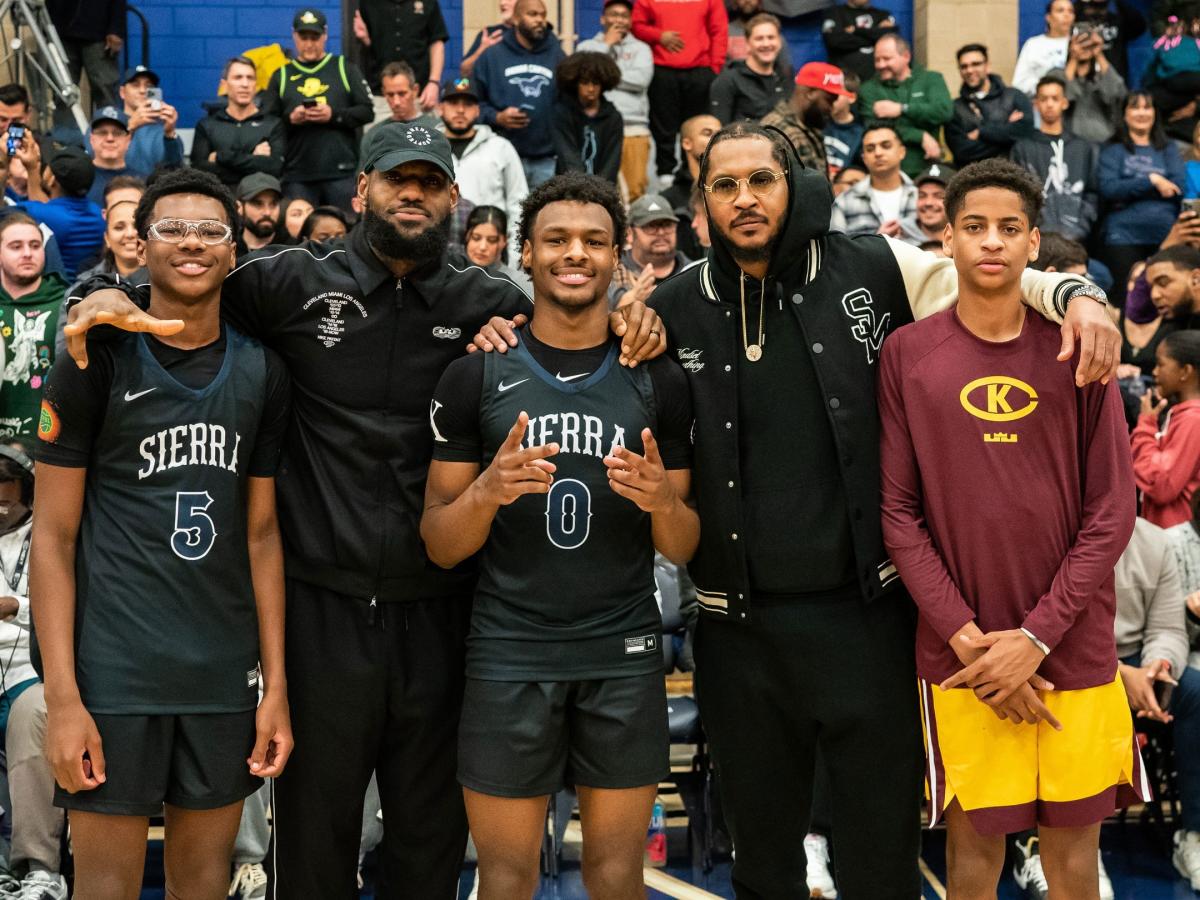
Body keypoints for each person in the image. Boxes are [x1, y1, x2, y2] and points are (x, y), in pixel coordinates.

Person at [470, 120, 1119, 899]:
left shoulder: (880, 267)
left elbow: (987, 272)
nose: (745, 199)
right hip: (739, 634)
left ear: (793, 187)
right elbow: (566, 333)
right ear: (701, 203)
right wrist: (495, 324)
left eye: (762, 181)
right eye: (724, 185)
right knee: (767, 868)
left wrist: (1078, 293)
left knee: (880, 863)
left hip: (868, 622)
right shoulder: (669, 308)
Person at [61, 122, 664, 898]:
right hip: (323, 612)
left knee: (429, 839)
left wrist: (631, 314)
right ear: (361, 191)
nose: (410, 194)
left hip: (446, 612)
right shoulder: (290, 282)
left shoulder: (493, 303)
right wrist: (99, 290)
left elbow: (577, 329)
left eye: (427, 181)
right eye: (393, 179)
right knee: (315, 839)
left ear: (454, 196)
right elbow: (185, 284)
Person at [421, 171, 698, 900]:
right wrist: (486, 492)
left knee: (615, 875)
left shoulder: (657, 378)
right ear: (528, 254)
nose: (575, 253)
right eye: (557, 240)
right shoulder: (473, 375)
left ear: (619, 256)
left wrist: (660, 499)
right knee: (505, 876)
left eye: (594, 241)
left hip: (623, 647)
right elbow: (440, 542)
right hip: (510, 649)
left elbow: (685, 544)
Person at [879, 158, 1139, 900]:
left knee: (1072, 867)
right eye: (974, 227)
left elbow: (1112, 512)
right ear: (947, 242)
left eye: (1009, 228)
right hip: (965, 659)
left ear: (1033, 246)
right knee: (972, 863)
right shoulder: (907, 354)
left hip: (1073, 650)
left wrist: (1034, 641)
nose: (991, 242)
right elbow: (899, 514)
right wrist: (973, 640)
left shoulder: (1079, 347)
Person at [31, 168, 293, 900]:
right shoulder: (94, 355)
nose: (191, 243)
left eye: (211, 230)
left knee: (203, 886)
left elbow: (262, 535)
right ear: (138, 246)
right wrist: (64, 699)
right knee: (106, 889)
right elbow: (52, 538)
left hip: (220, 673)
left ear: (234, 251)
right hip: (115, 675)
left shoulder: (262, 370)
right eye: (170, 228)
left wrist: (275, 688)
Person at [260, 8, 374, 214]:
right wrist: (291, 118)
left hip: (341, 172)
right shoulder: (281, 75)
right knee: (300, 240)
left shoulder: (343, 67)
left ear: (325, 35)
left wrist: (334, 115)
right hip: (297, 175)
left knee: (345, 233)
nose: (309, 43)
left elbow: (367, 111)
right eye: (304, 37)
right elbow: (266, 123)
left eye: (315, 37)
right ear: (294, 36)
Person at [1098, 90, 1185, 305]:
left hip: (1165, 236)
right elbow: (1109, 189)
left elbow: (1178, 187)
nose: (1141, 113)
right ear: (1125, 114)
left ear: (1155, 113)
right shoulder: (1112, 149)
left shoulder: (1168, 148)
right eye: (1135, 107)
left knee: (1164, 300)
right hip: (1123, 237)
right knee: (1127, 301)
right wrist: (1153, 180)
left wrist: (1129, 187)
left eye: (1147, 107)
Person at [473, 0, 566, 189]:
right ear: (515, 18)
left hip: (546, 159)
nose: (540, 20)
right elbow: (474, 104)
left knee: (541, 216)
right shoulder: (492, 57)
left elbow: (568, 103)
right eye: (532, 14)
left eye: (543, 15)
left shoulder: (557, 55)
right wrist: (497, 117)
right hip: (502, 156)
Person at [632, 0, 728, 182]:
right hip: (662, 71)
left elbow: (719, 30)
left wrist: (714, 67)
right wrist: (659, 36)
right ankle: (665, 176)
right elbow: (636, 25)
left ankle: (694, 176)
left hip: (700, 70)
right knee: (663, 128)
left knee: (697, 127)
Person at [438, 75, 528, 260]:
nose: (461, 110)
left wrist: (514, 255)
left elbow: (518, 203)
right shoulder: (429, 149)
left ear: (478, 110)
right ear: (441, 108)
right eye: (453, 103)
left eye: (468, 104)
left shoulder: (501, 147)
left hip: (491, 252)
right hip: (441, 255)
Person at [577, 0, 655, 200]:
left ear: (630, 21)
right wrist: (606, 46)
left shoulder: (641, 48)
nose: (619, 19)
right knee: (595, 190)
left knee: (635, 192)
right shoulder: (586, 46)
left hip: (633, 128)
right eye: (614, 14)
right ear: (603, 18)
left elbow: (641, 80)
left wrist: (603, 75)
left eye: (624, 15)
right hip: (594, 127)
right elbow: (583, 77)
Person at [1010, 74, 1100, 244]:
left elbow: (1092, 192)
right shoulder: (1023, 148)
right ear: (1036, 104)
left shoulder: (1083, 147)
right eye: (1044, 99)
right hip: (1037, 238)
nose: (1049, 104)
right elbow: (1018, 195)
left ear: (1065, 103)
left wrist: (1082, 225)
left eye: (1055, 98)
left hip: (1077, 236)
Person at [0, 215, 65, 442]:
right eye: (15, 246)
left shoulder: (66, 303)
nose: (27, 253)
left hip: (47, 445)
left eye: (35, 245)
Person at [857, 34, 954, 177]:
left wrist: (902, 109)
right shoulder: (868, 89)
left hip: (929, 169)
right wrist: (920, 136)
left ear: (906, 56)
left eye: (887, 58)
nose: (881, 65)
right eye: (877, 60)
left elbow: (944, 111)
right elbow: (875, 126)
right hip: (889, 173)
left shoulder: (931, 79)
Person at [1132, 331, 1200, 529]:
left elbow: (1161, 484)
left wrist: (1145, 425)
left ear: (1185, 371)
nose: (1154, 372)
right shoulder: (1183, 415)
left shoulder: (1193, 419)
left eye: (1161, 364)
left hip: (1177, 542)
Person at [1168, 497, 1200, 892]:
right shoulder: (1172, 543)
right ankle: (1193, 834)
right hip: (1189, 656)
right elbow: (1169, 630)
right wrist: (1192, 617)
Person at [13, 143, 104, 281]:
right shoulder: (98, 214)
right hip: (88, 288)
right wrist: (32, 170)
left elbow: (5, 210)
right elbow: (47, 207)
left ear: (52, 179)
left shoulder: (40, 213)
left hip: (59, 293)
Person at [191, 56, 286, 188]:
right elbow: (199, 171)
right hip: (219, 200)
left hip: (258, 202)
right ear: (224, 85)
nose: (245, 84)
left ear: (256, 85)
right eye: (238, 77)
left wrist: (221, 157)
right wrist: (253, 161)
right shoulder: (207, 125)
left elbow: (275, 168)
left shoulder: (273, 124)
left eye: (250, 78)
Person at [355, 0, 448, 116]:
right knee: (380, 134)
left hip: (421, 94)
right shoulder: (368, 3)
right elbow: (367, 47)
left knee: (423, 133)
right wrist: (365, 39)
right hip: (382, 97)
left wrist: (434, 83)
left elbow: (437, 43)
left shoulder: (428, 2)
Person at [946, 43, 1034, 166]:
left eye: (976, 64)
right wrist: (1006, 130)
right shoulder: (956, 107)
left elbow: (1026, 132)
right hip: (973, 178)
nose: (969, 70)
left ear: (987, 66)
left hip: (1013, 174)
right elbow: (962, 151)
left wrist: (981, 132)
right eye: (964, 66)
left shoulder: (1014, 96)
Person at [762, 62, 850, 179]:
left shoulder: (809, 124)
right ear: (810, 93)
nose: (832, 108)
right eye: (829, 100)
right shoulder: (778, 131)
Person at [831, 121, 916, 236]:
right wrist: (875, 242)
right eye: (870, 149)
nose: (878, 153)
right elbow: (837, 248)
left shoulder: (921, 195)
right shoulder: (844, 202)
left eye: (886, 146)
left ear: (902, 152)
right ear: (864, 158)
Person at [609, 192, 692, 306]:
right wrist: (632, 299)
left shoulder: (692, 271)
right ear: (629, 234)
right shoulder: (611, 272)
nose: (661, 232)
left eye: (667, 225)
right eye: (651, 226)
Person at [552, 52, 623, 182]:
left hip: (603, 192)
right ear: (575, 84)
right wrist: (581, 188)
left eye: (595, 83)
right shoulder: (563, 113)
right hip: (568, 188)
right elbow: (567, 155)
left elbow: (612, 160)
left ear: (603, 84)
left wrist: (600, 190)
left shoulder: (613, 117)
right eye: (585, 83)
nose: (590, 88)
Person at [1048, 28, 1127, 144]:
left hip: (1102, 143)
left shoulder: (1103, 76)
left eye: (1089, 43)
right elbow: (1062, 96)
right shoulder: (1057, 74)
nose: (1084, 47)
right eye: (1080, 42)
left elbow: (1117, 94)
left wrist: (1099, 53)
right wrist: (1074, 57)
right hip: (1067, 144)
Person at [709, 14, 789, 124]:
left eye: (771, 37)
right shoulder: (728, 80)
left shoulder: (786, 75)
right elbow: (719, 129)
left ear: (779, 42)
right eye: (759, 39)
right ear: (747, 44)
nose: (766, 44)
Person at [46, 0, 122, 113]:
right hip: (60, 32)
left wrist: (115, 30)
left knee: (105, 89)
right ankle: (65, 130)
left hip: (99, 34)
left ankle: (109, 127)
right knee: (63, 92)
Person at [661, 114, 719, 260]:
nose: (717, 138)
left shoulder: (733, 190)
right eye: (707, 133)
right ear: (687, 143)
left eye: (720, 134)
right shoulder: (668, 199)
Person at [117, 64, 184, 179]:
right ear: (122, 92)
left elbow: (175, 170)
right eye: (135, 85)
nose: (143, 90)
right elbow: (100, 158)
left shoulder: (163, 129)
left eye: (149, 86)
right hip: (118, 190)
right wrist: (130, 126)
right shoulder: (108, 122)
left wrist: (169, 134)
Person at [820, 0, 898, 82]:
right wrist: (875, 36)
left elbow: (891, 38)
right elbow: (835, 41)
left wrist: (856, 31)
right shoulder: (834, 13)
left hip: (877, 81)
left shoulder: (882, 14)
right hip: (845, 81)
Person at [1012, 0, 1076, 95]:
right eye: (1060, 10)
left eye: (1070, 11)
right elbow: (1019, 84)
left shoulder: (1079, 43)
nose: (1066, 15)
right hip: (1040, 101)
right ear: (1048, 17)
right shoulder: (1033, 44)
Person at [1073, 0, 1147, 80]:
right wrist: (1082, 3)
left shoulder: (1119, 15)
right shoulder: (1075, 14)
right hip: (1080, 82)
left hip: (1114, 81)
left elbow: (1140, 26)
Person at [368, 61, 441, 130]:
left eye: (402, 94)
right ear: (384, 93)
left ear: (415, 90)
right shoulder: (375, 134)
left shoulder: (437, 129)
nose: (396, 102)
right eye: (390, 95)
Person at [86, 106, 136, 206]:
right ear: (91, 139)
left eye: (117, 133)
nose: (110, 138)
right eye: (102, 132)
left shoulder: (141, 182)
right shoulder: (78, 180)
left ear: (128, 140)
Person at [899, 162, 954, 245]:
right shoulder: (899, 241)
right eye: (922, 195)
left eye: (939, 196)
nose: (928, 203)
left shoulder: (964, 243)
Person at [823, 70, 864, 179]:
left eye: (836, 95)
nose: (830, 99)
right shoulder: (818, 124)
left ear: (851, 97)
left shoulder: (861, 133)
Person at [460, 0, 516, 78]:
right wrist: (482, 49)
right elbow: (464, 71)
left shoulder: (532, 34)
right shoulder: (489, 34)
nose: (502, 3)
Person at [236, 173, 283, 253]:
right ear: (239, 207)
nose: (267, 212)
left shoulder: (290, 249)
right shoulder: (230, 250)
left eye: (273, 204)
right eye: (258, 204)